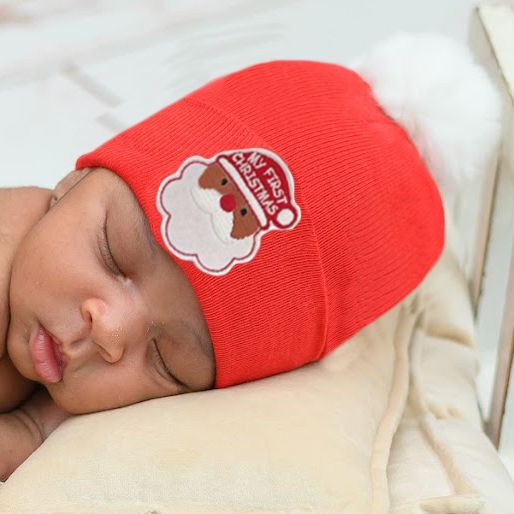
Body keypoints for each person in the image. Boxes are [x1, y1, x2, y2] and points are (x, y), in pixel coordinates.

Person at [0, 33, 501, 481]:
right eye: (113, 254)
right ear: (74, 181)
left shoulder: (75, 403)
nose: (108, 333)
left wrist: (34, 429)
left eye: (165, 358)